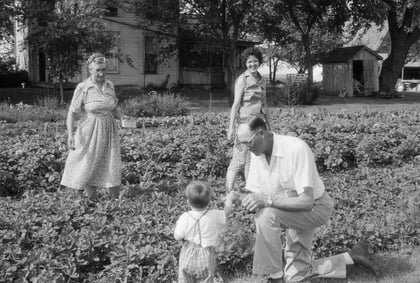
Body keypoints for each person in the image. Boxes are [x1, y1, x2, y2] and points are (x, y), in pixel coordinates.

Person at [234, 117, 378, 282]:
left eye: (248, 143)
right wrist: (239, 198)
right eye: (242, 144)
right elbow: (257, 197)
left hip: (315, 207)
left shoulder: (296, 149)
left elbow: (306, 201)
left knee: (266, 216)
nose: (246, 148)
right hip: (288, 205)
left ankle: (274, 277)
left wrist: (266, 199)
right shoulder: (257, 153)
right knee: (296, 276)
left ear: (261, 133)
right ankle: (352, 257)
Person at [60, 53, 122, 200]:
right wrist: (70, 135)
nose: (101, 73)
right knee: (87, 163)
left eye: (104, 69)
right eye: (97, 70)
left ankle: (115, 201)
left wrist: (123, 117)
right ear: (90, 70)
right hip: (89, 131)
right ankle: (86, 200)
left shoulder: (110, 85)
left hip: (109, 132)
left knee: (111, 162)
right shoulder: (83, 87)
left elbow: (113, 108)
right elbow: (72, 113)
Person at [226, 47, 272, 191]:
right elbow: (235, 105)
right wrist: (230, 128)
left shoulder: (262, 80)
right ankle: (228, 191)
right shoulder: (242, 80)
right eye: (249, 62)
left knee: (252, 160)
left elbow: (264, 105)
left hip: (259, 124)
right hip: (244, 124)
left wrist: (270, 126)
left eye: (255, 61)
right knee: (239, 159)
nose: (252, 64)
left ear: (259, 62)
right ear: (246, 63)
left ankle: (249, 190)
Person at [174, 181, 237, 283]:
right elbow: (227, 212)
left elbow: (177, 236)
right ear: (209, 201)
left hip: (188, 252)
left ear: (188, 202)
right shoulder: (214, 215)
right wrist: (229, 199)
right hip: (207, 255)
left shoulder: (185, 217)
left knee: (185, 279)